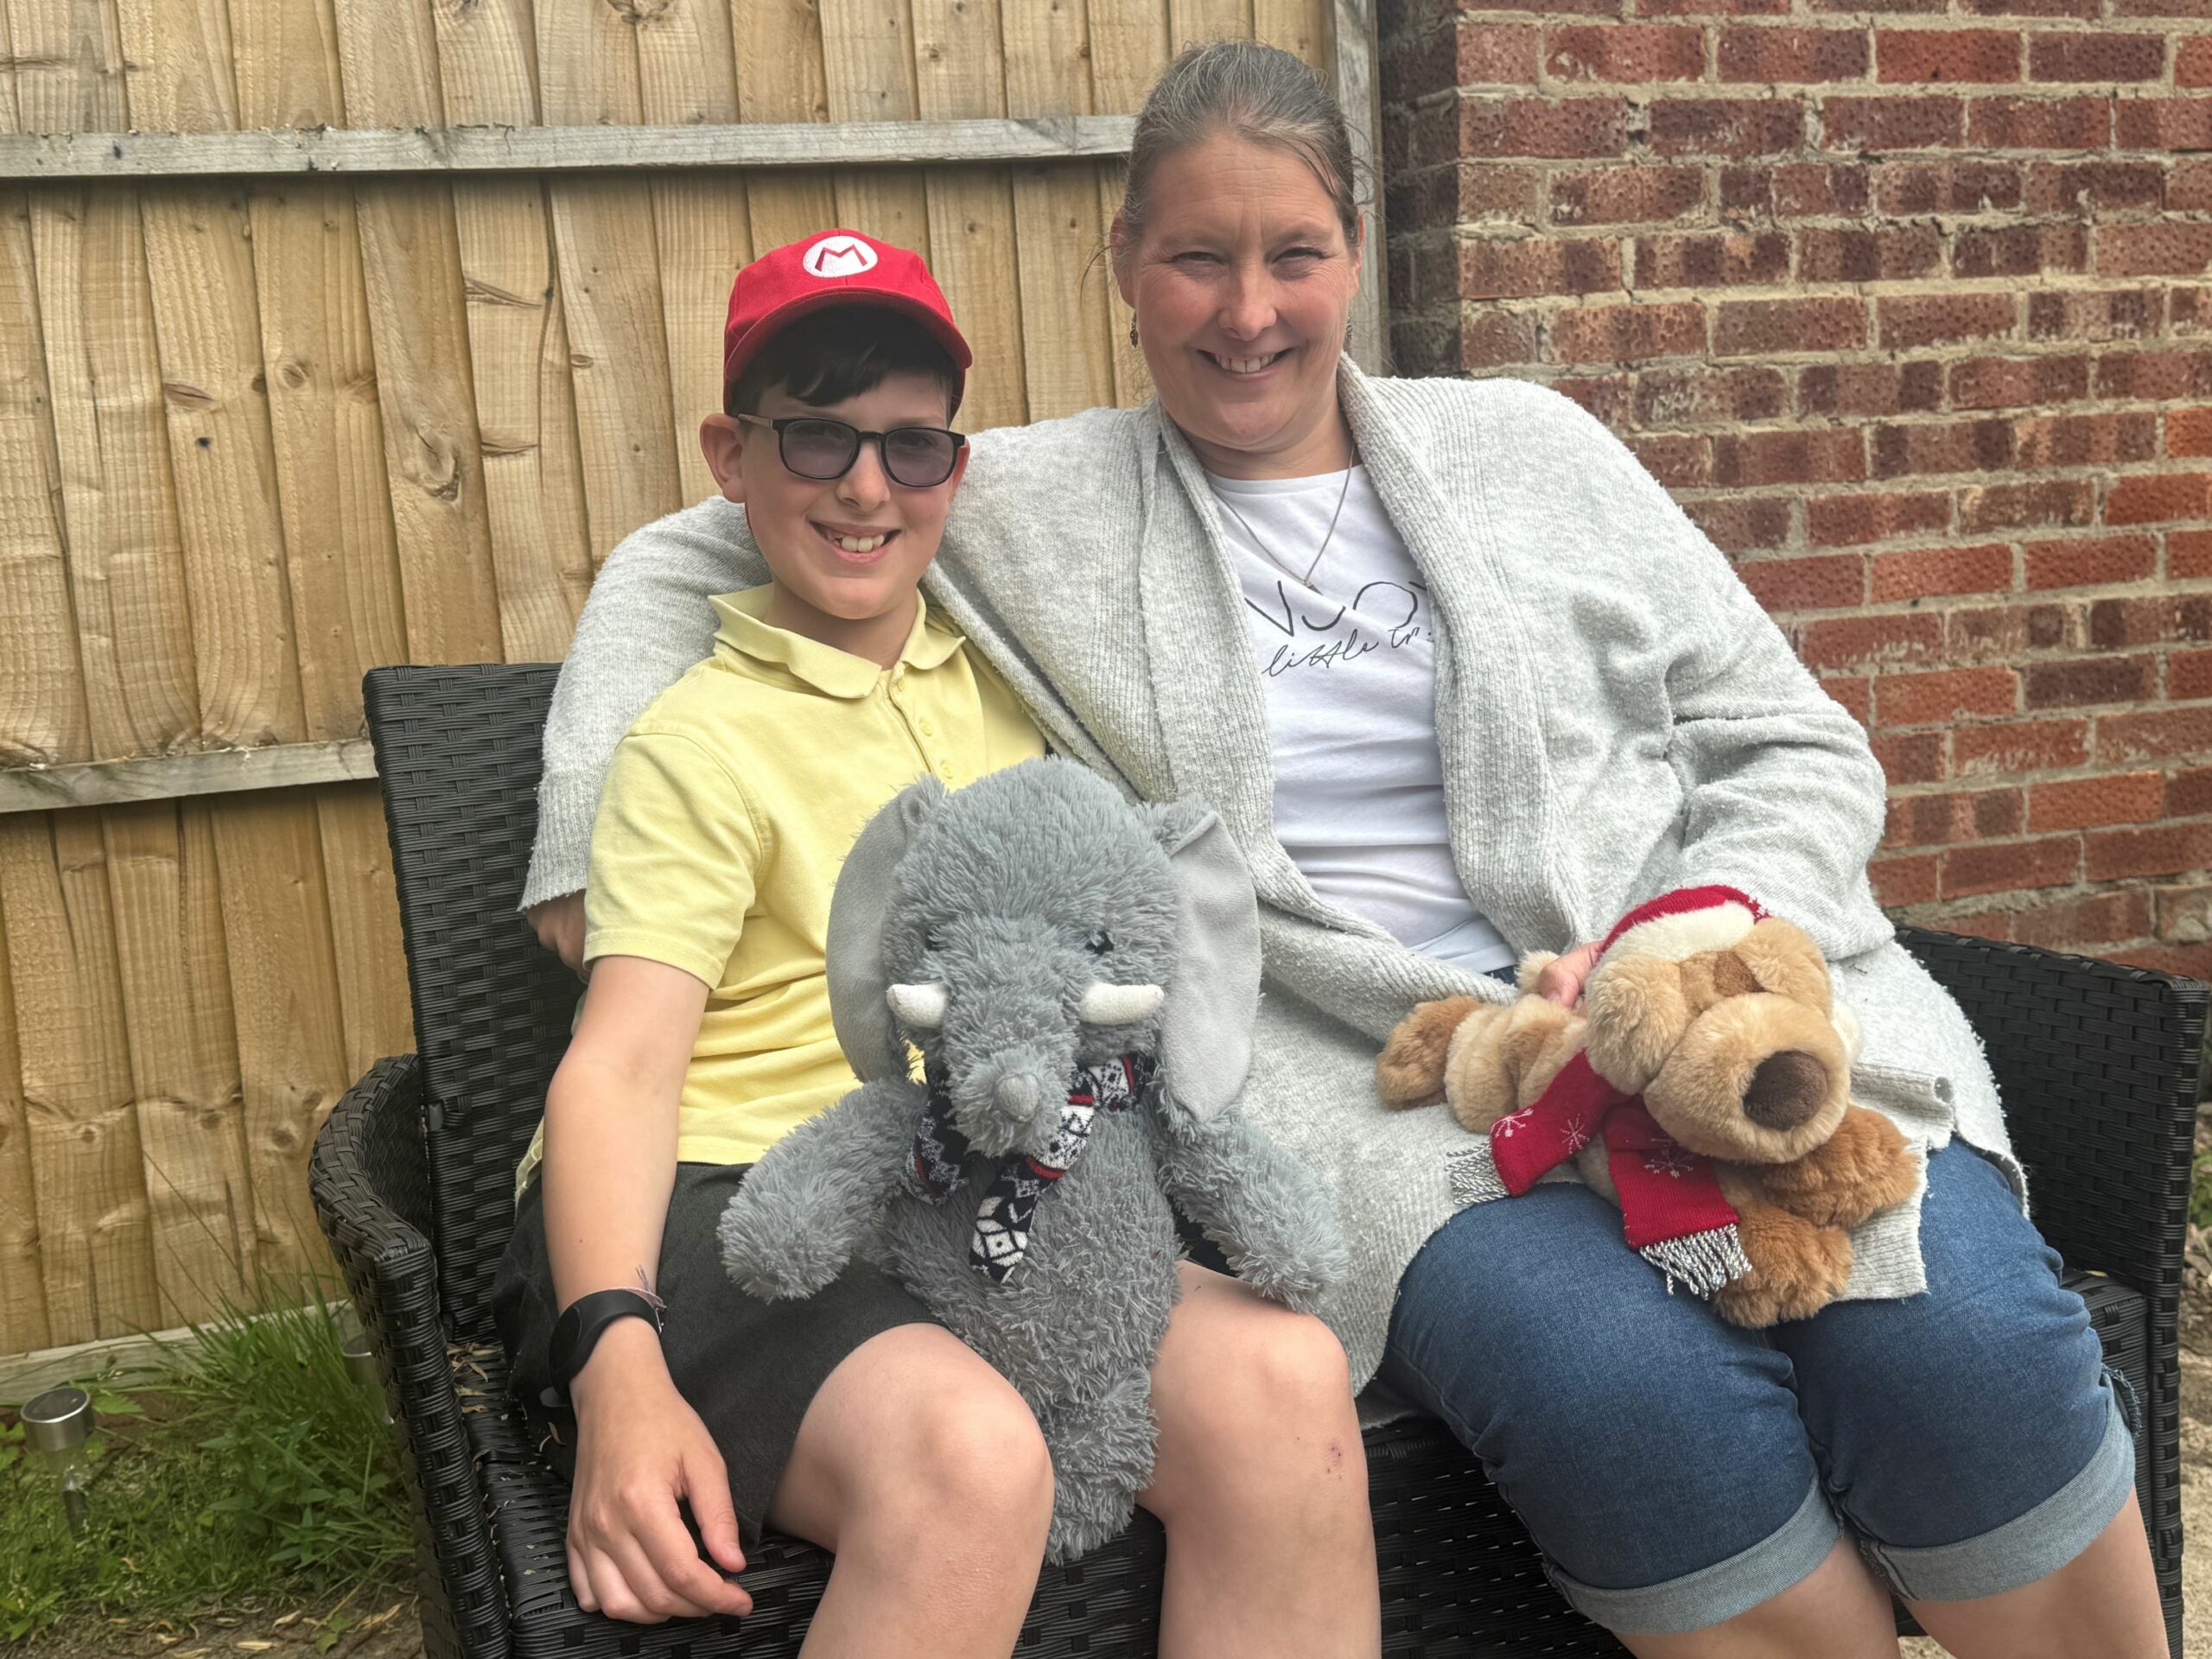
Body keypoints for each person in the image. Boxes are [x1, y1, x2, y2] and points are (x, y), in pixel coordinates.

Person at [522, 41, 2167, 1659]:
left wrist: (1696, 929)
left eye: (1295, 254)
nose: (1249, 311)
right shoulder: (1028, 501)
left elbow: (1793, 740)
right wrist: (591, 837)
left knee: (1962, 1345)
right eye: (1198, 257)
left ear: (1358, 255)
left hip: (1709, 990)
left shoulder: (1531, 449)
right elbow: (707, 543)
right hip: (1374, 1077)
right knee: (1621, 1394)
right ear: (1125, 263)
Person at [496, 229, 1382, 1659]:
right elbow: (623, 1068)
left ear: (955, 473)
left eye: (912, 446)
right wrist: (615, 1360)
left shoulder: (1016, 695)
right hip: (724, 1196)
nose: (865, 487)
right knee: (971, 1457)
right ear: (731, 457)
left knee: (1285, 1378)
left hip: (974, 1174)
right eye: (816, 436)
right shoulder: (695, 741)